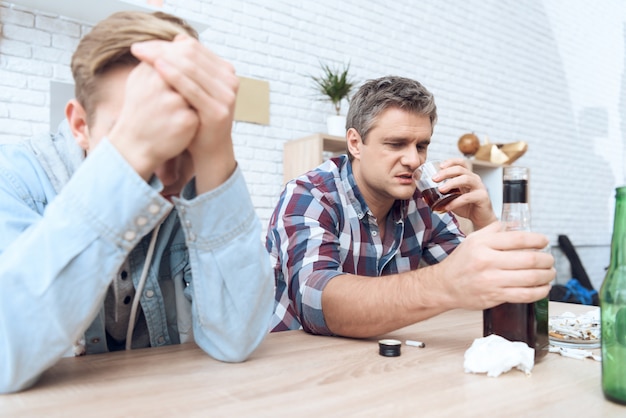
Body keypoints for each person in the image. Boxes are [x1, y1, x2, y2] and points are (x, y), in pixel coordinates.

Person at [0, 11, 274, 394]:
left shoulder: (196, 189)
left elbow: (236, 339)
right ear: (81, 126)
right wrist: (127, 159)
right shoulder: (15, 179)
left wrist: (216, 153)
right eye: (136, 130)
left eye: (182, 133)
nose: (167, 172)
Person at [267, 75, 555, 337]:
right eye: (396, 144)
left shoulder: (422, 202)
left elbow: (489, 285)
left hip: (382, 362)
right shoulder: (310, 196)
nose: (414, 160)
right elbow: (316, 305)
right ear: (355, 143)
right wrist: (443, 283)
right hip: (297, 366)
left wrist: (486, 222)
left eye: (421, 146)